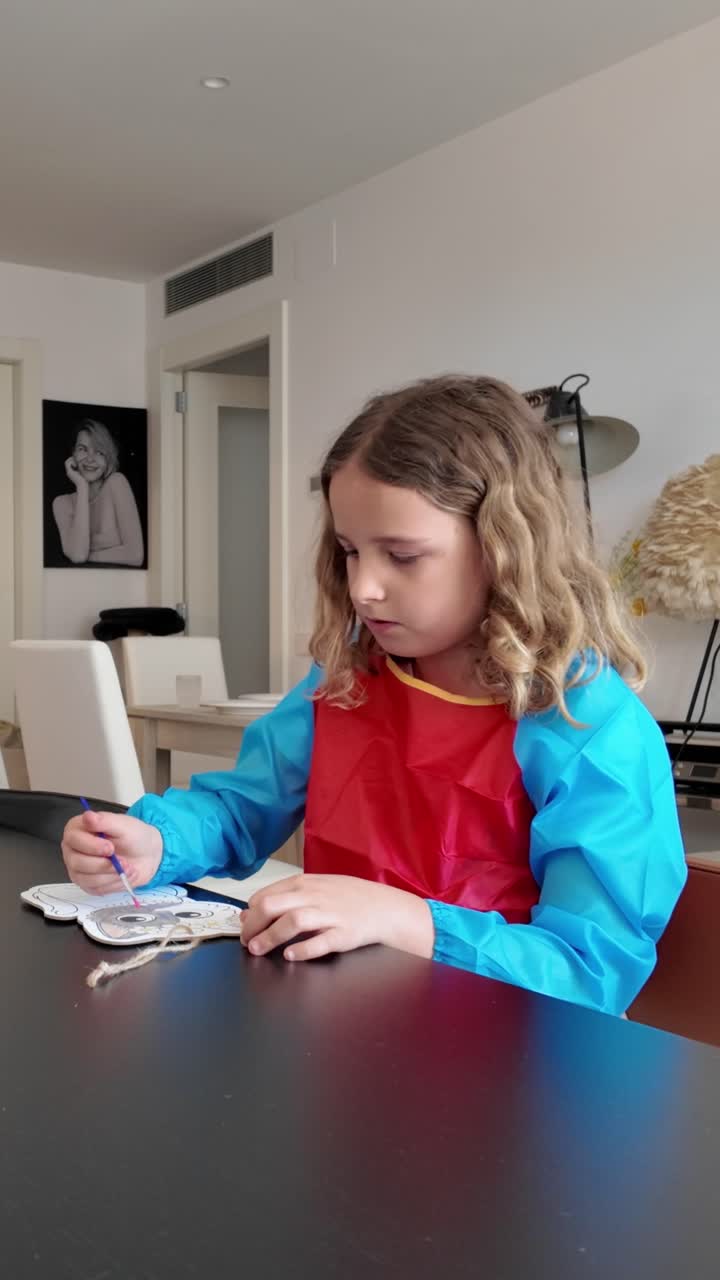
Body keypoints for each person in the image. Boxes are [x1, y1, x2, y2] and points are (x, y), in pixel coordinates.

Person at [61, 375, 685, 1015]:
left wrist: (411, 923)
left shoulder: (590, 729)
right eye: (351, 551)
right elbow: (243, 807)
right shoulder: (345, 682)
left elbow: (589, 969)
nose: (363, 589)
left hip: (501, 1063)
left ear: (506, 547)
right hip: (344, 1028)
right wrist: (159, 844)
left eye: (403, 556)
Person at [52, 419, 144, 566]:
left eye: (99, 452)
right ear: (73, 455)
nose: (90, 458)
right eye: (82, 449)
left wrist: (88, 550)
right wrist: (82, 487)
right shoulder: (61, 503)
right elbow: (77, 555)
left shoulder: (116, 482)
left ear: (109, 458)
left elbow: (135, 555)